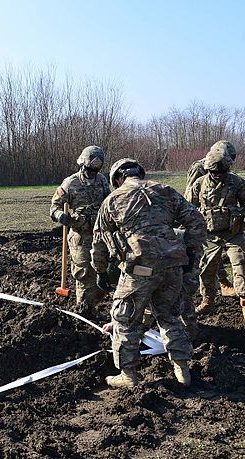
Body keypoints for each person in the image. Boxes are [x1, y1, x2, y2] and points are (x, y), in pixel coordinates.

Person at [91, 158, 206, 388]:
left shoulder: (112, 200)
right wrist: (191, 253)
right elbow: (197, 221)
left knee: (125, 318)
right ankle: (182, 370)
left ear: (117, 179)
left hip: (140, 266)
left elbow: (99, 242)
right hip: (174, 264)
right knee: (169, 315)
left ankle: (128, 375)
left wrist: (101, 272)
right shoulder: (165, 190)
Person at [186, 149, 245, 314]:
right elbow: (188, 208)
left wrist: (240, 215)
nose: (217, 175)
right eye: (213, 172)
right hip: (209, 237)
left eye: (221, 172)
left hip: (233, 235)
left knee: (241, 265)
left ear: (227, 169)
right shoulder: (199, 184)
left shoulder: (237, 183)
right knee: (206, 271)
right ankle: (208, 301)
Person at [50, 145, 111, 315]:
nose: (92, 173)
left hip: (101, 235)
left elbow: (109, 202)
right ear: (83, 165)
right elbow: (54, 207)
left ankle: (93, 305)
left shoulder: (102, 181)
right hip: (80, 237)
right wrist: (61, 215)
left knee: (102, 271)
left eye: (95, 170)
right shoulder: (70, 183)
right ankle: (84, 311)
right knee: (85, 274)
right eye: (90, 169)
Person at [186, 140, 239, 296]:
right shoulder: (199, 168)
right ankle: (221, 283)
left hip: (224, 223)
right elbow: (191, 194)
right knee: (207, 257)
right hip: (206, 218)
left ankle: (222, 283)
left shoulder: (226, 170)